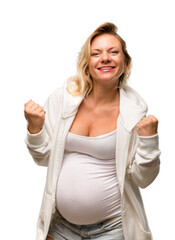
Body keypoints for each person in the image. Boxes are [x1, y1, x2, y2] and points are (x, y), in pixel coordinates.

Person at [24, 22, 160, 240]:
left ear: (125, 62)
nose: (105, 58)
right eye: (96, 53)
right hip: (60, 225)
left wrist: (149, 140)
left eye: (113, 52)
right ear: (87, 64)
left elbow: (143, 178)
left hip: (112, 229)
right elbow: (43, 158)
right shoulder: (62, 100)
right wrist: (35, 128)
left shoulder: (135, 114)